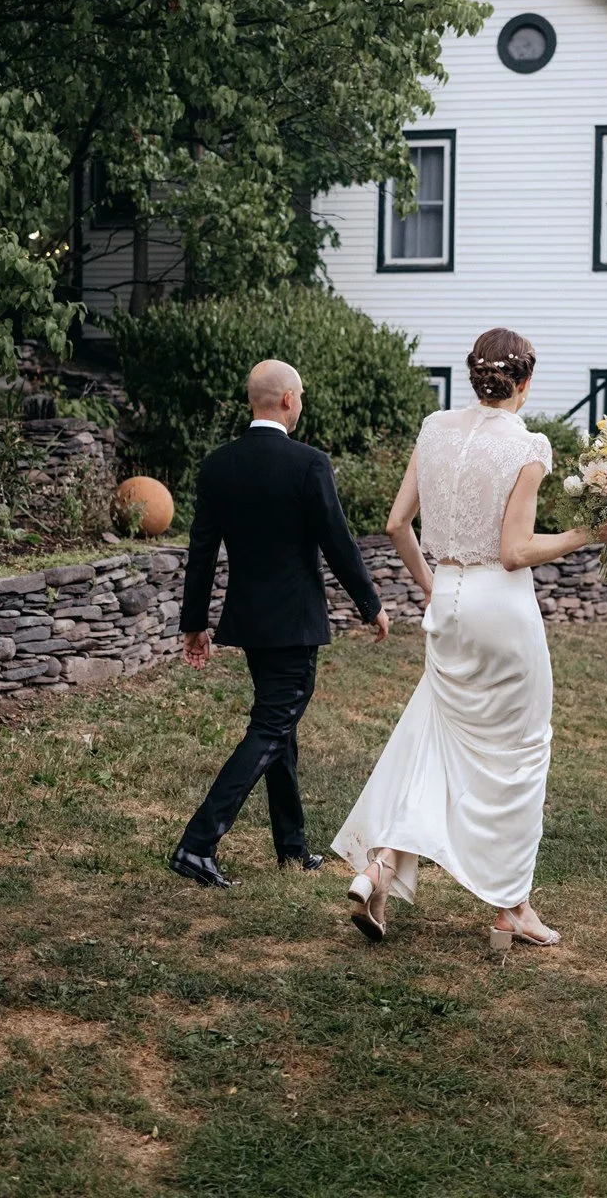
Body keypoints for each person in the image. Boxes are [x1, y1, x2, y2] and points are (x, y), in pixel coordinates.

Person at [330, 328, 607, 950]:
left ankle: (381, 866)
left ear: (474, 377)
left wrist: (431, 587)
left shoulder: (434, 427)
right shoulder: (527, 445)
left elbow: (395, 523)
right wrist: (588, 536)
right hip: (500, 607)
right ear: (524, 382)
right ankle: (510, 910)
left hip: (450, 601)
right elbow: (515, 551)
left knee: (434, 740)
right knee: (520, 756)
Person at [169, 359, 388, 888]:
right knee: (271, 728)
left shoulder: (218, 465)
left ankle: (292, 847)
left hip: (249, 622)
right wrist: (370, 603)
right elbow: (337, 540)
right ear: (288, 400)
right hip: (293, 624)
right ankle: (197, 844)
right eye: (302, 396)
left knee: (279, 729)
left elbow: (201, 553)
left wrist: (194, 622)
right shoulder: (308, 464)